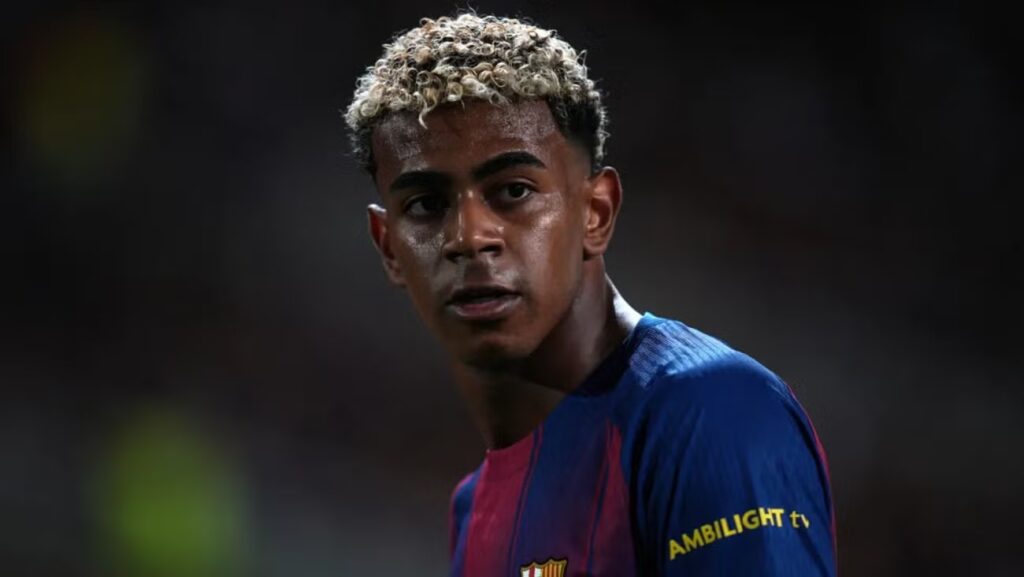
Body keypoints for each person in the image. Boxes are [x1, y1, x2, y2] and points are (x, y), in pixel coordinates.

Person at [345, 13, 836, 577]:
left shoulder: (708, 412)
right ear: (388, 246)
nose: (469, 237)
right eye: (427, 204)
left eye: (514, 191)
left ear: (596, 213)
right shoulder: (471, 509)